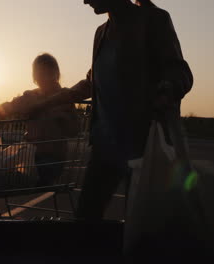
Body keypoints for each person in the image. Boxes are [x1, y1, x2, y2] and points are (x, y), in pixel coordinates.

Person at [21, 0, 194, 221]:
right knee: (86, 218)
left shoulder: (153, 20)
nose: (84, 1)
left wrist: (168, 88)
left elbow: (180, 72)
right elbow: (89, 84)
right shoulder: (101, 33)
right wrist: (42, 104)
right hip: (105, 147)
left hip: (144, 149)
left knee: (138, 227)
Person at [0, 53, 79, 187]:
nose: (43, 78)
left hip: (51, 161)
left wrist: (63, 118)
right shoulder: (30, 97)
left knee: (1, 178)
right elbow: (4, 107)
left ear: (55, 74)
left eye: (47, 73)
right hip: (29, 156)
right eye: (40, 74)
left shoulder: (64, 99)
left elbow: (74, 130)